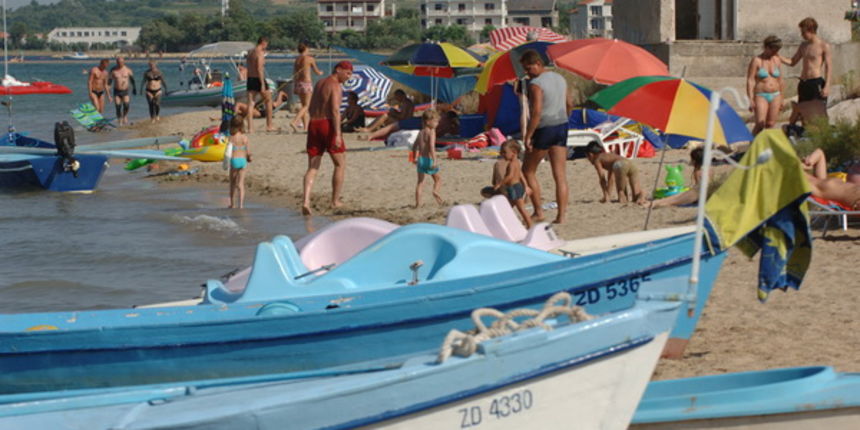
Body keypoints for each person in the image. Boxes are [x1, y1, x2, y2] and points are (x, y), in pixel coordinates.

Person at [520, 50, 573, 224]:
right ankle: (562, 216)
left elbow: (536, 112)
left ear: (538, 63)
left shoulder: (536, 84)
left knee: (528, 170)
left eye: (528, 68)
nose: (527, 72)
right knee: (560, 175)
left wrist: (528, 135)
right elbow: (570, 103)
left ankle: (539, 212)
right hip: (561, 125)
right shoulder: (560, 78)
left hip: (545, 128)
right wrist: (564, 117)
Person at [301, 61, 353, 216]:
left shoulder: (319, 83)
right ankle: (335, 200)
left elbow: (311, 107)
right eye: (347, 73)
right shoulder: (335, 86)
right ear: (338, 70)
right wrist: (337, 134)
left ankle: (306, 201)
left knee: (313, 166)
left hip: (314, 124)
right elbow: (335, 111)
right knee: (340, 164)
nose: (348, 77)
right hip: (327, 124)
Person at [782, 17, 832, 111]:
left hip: (815, 82)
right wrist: (778, 57)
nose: (802, 35)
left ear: (811, 30)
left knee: (817, 112)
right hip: (803, 83)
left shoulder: (824, 46)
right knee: (803, 112)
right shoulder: (803, 45)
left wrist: (827, 86)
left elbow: (828, 67)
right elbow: (793, 62)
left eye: (803, 32)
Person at [746, 36, 784, 135]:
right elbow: (750, 80)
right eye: (773, 50)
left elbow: (780, 80)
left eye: (777, 50)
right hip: (761, 95)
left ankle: (766, 143)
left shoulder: (777, 60)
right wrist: (750, 98)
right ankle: (752, 142)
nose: (775, 53)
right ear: (767, 47)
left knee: (770, 124)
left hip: (776, 94)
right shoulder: (756, 60)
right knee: (760, 123)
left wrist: (782, 97)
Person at [493, 140, 532, 228]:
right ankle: (506, 223)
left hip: (515, 188)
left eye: (504, 152)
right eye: (501, 152)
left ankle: (530, 225)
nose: (502, 154)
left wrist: (499, 184)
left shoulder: (511, 164)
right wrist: (526, 186)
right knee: (508, 207)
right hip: (516, 187)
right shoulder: (517, 162)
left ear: (514, 152)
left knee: (521, 209)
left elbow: (510, 176)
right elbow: (521, 175)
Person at [412, 109, 444, 208]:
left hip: (420, 160)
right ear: (428, 122)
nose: (437, 124)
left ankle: (418, 204)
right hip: (429, 160)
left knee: (420, 183)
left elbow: (414, 147)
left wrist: (414, 158)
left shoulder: (420, 132)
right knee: (438, 179)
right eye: (436, 121)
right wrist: (435, 160)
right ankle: (435, 191)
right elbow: (431, 147)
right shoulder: (432, 132)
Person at [290, 42, 323, 133]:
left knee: (303, 105)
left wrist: (294, 85)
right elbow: (317, 71)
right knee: (306, 105)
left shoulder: (297, 59)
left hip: (298, 83)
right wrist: (321, 73)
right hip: (306, 83)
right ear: (306, 49)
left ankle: (305, 127)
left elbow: (294, 73)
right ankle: (294, 121)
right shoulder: (310, 59)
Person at [246, 36, 275, 133]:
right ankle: (269, 125)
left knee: (251, 103)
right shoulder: (260, 53)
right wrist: (262, 83)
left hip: (250, 78)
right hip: (258, 78)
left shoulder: (250, 52)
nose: (266, 46)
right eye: (266, 44)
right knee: (268, 101)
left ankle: (250, 128)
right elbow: (259, 68)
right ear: (263, 42)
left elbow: (249, 66)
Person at [228, 115, 252, 209]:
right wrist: (249, 158)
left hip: (234, 160)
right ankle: (241, 205)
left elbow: (228, 151)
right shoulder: (245, 138)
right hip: (242, 161)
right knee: (241, 184)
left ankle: (232, 204)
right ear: (242, 125)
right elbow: (248, 152)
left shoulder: (231, 138)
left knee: (232, 183)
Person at [109, 57, 136, 126]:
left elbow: (132, 80)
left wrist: (134, 89)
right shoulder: (113, 70)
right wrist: (108, 93)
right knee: (118, 106)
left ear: (124, 62)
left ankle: (124, 116)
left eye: (121, 62)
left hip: (125, 90)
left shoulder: (128, 70)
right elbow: (109, 82)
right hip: (117, 91)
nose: (120, 63)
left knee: (126, 105)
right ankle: (119, 119)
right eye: (118, 62)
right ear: (116, 62)